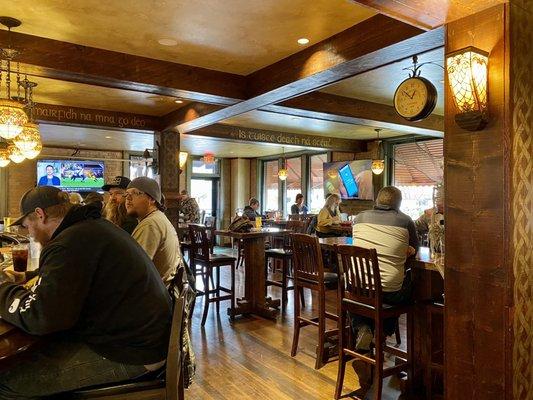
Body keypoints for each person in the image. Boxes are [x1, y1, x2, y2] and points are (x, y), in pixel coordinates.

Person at [0, 186, 172, 398]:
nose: (30, 235)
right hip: (142, 340)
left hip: (133, 352)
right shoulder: (89, 229)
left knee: (8, 383)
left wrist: (3, 290)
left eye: (27, 227)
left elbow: (42, 317)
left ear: (40, 215)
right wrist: (31, 277)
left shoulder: (70, 243)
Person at [351, 186, 419, 350]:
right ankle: (382, 333)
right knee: (407, 288)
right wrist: (407, 250)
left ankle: (363, 328)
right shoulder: (405, 221)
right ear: (399, 204)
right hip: (390, 292)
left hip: (358, 287)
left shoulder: (358, 218)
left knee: (358, 288)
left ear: (376, 201)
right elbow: (414, 248)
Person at [125, 177, 182, 287]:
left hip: (153, 297)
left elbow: (134, 271)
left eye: (135, 193)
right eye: (126, 194)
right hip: (161, 291)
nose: (128, 198)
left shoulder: (150, 224)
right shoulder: (157, 218)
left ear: (152, 199)